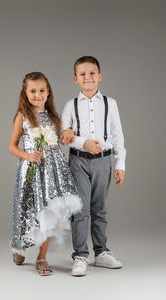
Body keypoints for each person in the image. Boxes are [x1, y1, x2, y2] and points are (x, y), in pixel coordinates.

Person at [9, 72, 82, 276]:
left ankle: (42, 257)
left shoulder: (53, 117)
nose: (37, 95)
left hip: (53, 172)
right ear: (25, 93)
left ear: (48, 92)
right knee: (26, 211)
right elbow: (12, 146)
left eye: (42, 90)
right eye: (33, 91)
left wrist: (67, 135)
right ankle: (19, 246)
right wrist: (28, 155)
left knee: (50, 211)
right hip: (31, 171)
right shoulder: (22, 117)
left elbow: (57, 143)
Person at [60, 56, 126, 276]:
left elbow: (117, 135)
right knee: (80, 209)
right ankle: (80, 255)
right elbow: (63, 134)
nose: (87, 78)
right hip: (77, 161)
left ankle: (101, 252)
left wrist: (120, 163)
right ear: (75, 79)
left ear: (99, 76)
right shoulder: (71, 105)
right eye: (82, 74)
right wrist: (82, 142)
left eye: (91, 73)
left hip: (103, 162)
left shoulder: (110, 103)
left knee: (100, 208)